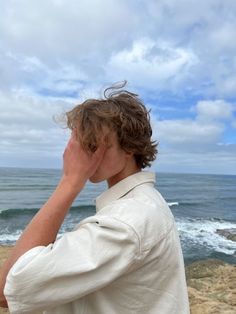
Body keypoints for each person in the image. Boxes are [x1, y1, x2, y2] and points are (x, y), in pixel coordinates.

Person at [0, 82, 190, 313]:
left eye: (93, 144)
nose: (82, 154)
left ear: (129, 147)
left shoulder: (127, 221)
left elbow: (9, 287)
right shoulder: (145, 201)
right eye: (81, 143)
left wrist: (70, 181)